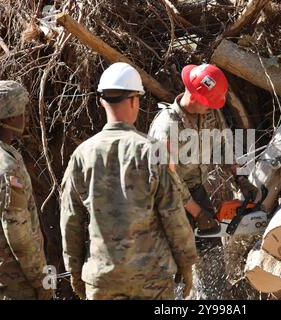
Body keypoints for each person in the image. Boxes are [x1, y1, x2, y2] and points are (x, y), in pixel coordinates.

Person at [60, 62, 197, 300]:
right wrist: (186, 264)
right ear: (135, 100)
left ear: (102, 101)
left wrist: (74, 271)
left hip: (102, 278)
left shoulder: (82, 155)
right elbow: (173, 214)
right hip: (151, 278)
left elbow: (70, 220)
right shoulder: (152, 152)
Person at [148, 64, 259, 235]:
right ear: (194, 97)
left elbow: (223, 145)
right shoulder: (167, 128)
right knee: (179, 255)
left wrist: (241, 177)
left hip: (195, 189)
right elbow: (167, 180)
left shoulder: (209, 114)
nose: (212, 108)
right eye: (209, 104)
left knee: (211, 243)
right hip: (167, 199)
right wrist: (197, 212)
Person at [0, 80, 53, 300]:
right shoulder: (3, 164)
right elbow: (18, 235)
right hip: (19, 282)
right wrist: (43, 281)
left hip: (2, 273)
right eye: (22, 110)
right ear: (9, 117)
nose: (25, 117)